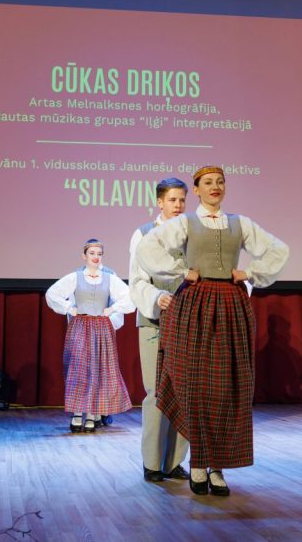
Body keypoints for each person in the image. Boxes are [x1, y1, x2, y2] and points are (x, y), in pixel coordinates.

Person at [137, 166, 289, 497]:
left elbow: (278, 249)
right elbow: (147, 248)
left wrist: (250, 272)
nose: (215, 187)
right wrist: (180, 271)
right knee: (195, 385)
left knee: (227, 387)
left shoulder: (239, 223)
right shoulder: (185, 223)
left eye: (220, 182)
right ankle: (197, 463)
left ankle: (217, 466)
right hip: (196, 303)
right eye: (208, 183)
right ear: (196, 189)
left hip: (231, 304)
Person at [128, 177, 190, 483]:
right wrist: (156, 298)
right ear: (159, 202)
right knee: (155, 392)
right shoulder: (143, 234)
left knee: (184, 391)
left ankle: (174, 462)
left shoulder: (193, 234)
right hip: (155, 320)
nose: (178, 205)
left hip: (188, 322)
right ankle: (152, 463)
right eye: (172, 200)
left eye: (182, 200)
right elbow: (137, 280)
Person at [46, 239, 134, 433]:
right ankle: (77, 413)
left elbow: (130, 297)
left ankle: (93, 414)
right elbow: (52, 294)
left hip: (101, 327)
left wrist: (112, 309)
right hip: (81, 325)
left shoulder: (109, 278)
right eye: (92, 253)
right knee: (79, 369)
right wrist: (70, 308)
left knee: (99, 369)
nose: (96, 257)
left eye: (99, 254)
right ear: (84, 256)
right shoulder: (75, 277)